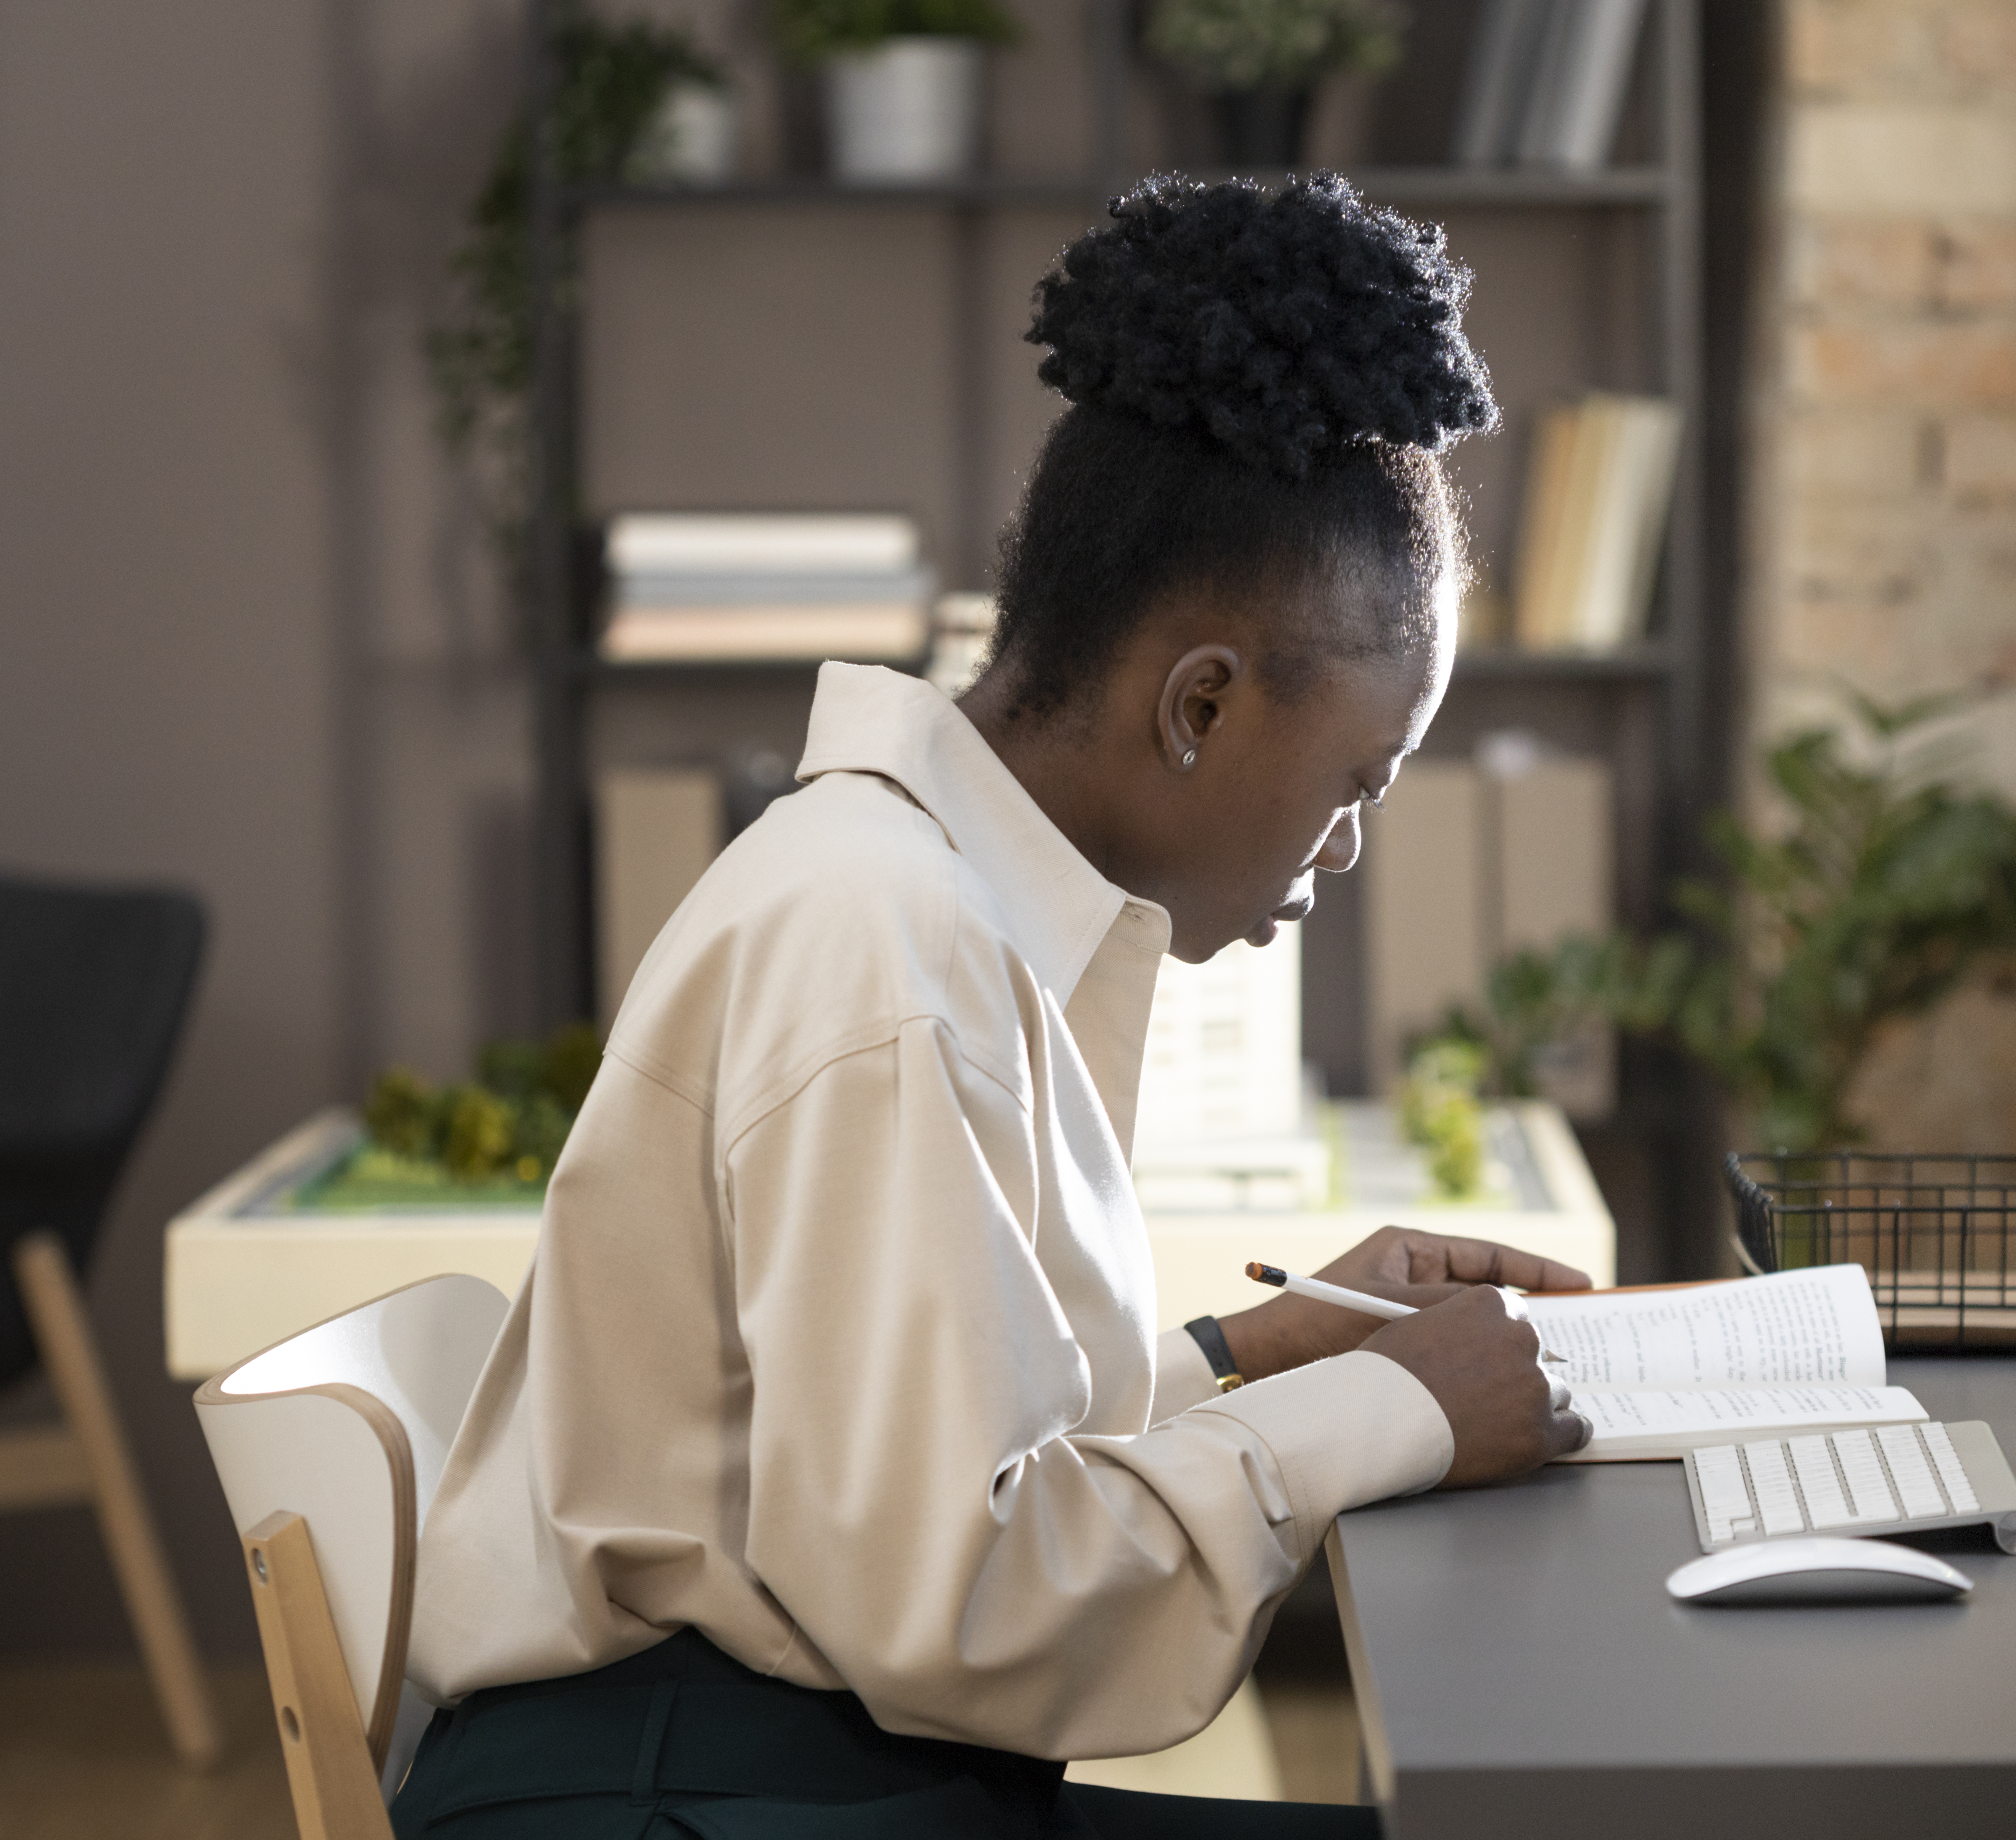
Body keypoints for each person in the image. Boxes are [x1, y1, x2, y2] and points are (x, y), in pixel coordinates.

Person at [395, 173, 1594, 1840]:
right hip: (680, 1799)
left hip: (772, 1756)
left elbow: (914, 1463)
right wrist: (1396, 1409)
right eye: (1357, 780)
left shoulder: (923, 894)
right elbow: (954, 1597)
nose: (1352, 846)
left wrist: (1264, 1346)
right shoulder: (888, 951)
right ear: (1201, 704)